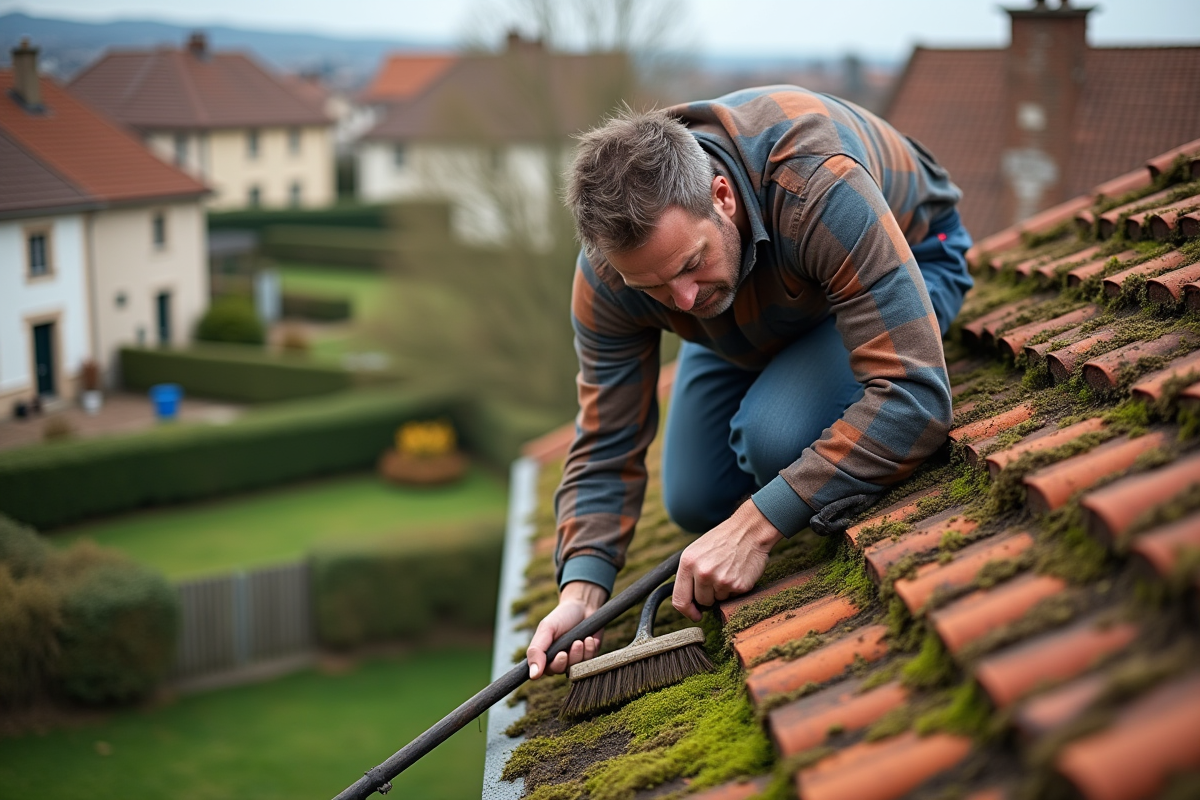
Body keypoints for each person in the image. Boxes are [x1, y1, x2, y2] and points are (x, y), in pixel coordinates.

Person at [526, 86, 973, 680]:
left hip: (912, 253)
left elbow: (915, 395)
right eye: (653, 290)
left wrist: (754, 527)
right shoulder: (615, 274)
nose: (683, 301)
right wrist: (581, 591)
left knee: (775, 440)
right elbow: (606, 437)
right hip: (744, 313)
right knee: (694, 498)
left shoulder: (816, 183)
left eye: (690, 264)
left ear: (723, 196)